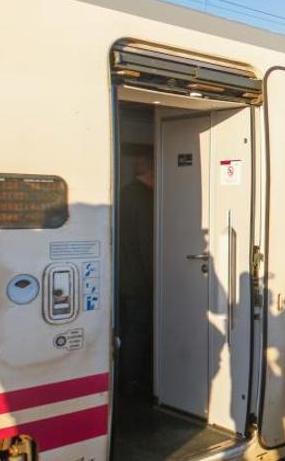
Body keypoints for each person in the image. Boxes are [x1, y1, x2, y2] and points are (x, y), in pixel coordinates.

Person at [118, 151, 155, 398]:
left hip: (121, 276)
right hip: (138, 278)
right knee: (138, 329)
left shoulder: (123, 193)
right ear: (151, 173)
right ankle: (132, 379)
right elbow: (147, 242)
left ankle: (124, 375)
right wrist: (157, 278)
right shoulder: (145, 199)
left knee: (125, 328)